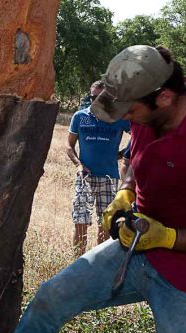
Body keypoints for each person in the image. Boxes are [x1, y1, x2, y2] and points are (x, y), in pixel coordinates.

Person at [4, 45, 186, 333]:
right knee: (52, 297)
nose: (127, 118)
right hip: (135, 249)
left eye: (130, 112)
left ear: (164, 97)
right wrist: (125, 191)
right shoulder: (149, 113)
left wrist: (168, 237)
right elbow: (135, 158)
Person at [66, 80, 130, 256]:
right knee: (81, 221)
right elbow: (69, 146)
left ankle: (96, 262)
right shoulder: (80, 116)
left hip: (108, 177)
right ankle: (78, 264)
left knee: (106, 222)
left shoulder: (119, 119)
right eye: (93, 96)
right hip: (84, 176)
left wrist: (123, 155)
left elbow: (139, 137)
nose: (95, 100)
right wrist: (79, 165)